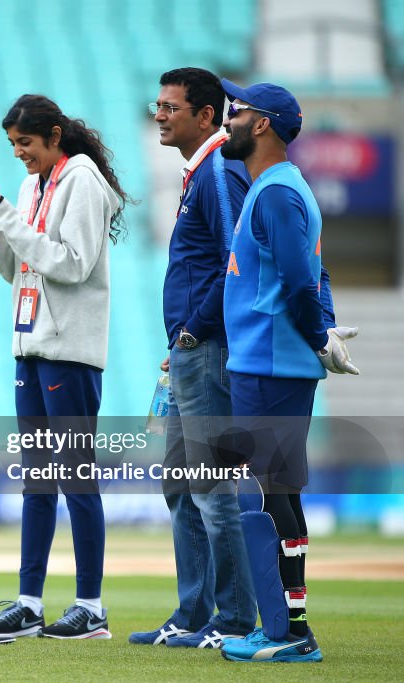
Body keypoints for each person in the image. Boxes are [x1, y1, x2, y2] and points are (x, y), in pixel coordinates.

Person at [0, 94, 129, 640]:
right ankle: (29, 603)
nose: (19, 153)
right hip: (31, 343)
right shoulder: (32, 184)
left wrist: (11, 222)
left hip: (70, 350)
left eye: (26, 143)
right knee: (38, 482)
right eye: (13, 145)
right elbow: (19, 271)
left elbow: (72, 264)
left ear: (55, 135)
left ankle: (92, 607)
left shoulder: (82, 179)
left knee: (76, 478)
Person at [216, 79, 359, 664]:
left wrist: (315, 335)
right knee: (279, 492)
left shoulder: (276, 192)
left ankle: (287, 631)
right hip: (269, 361)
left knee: (274, 495)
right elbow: (312, 279)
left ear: (264, 124)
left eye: (236, 111)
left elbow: (303, 281)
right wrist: (321, 330)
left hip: (271, 365)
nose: (227, 120)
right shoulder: (275, 188)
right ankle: (286, 624)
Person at [128, 68, 257, 649]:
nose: (159, 114)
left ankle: (232, 620)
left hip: (206, 351)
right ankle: (193, 613)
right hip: (188, 351)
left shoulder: (218, 174)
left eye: (170, 106)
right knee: (180, 486)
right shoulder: (200, 173)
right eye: (157, 104)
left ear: (206, 115)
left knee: (209, 487)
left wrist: (192, 332)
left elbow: (235, 262)